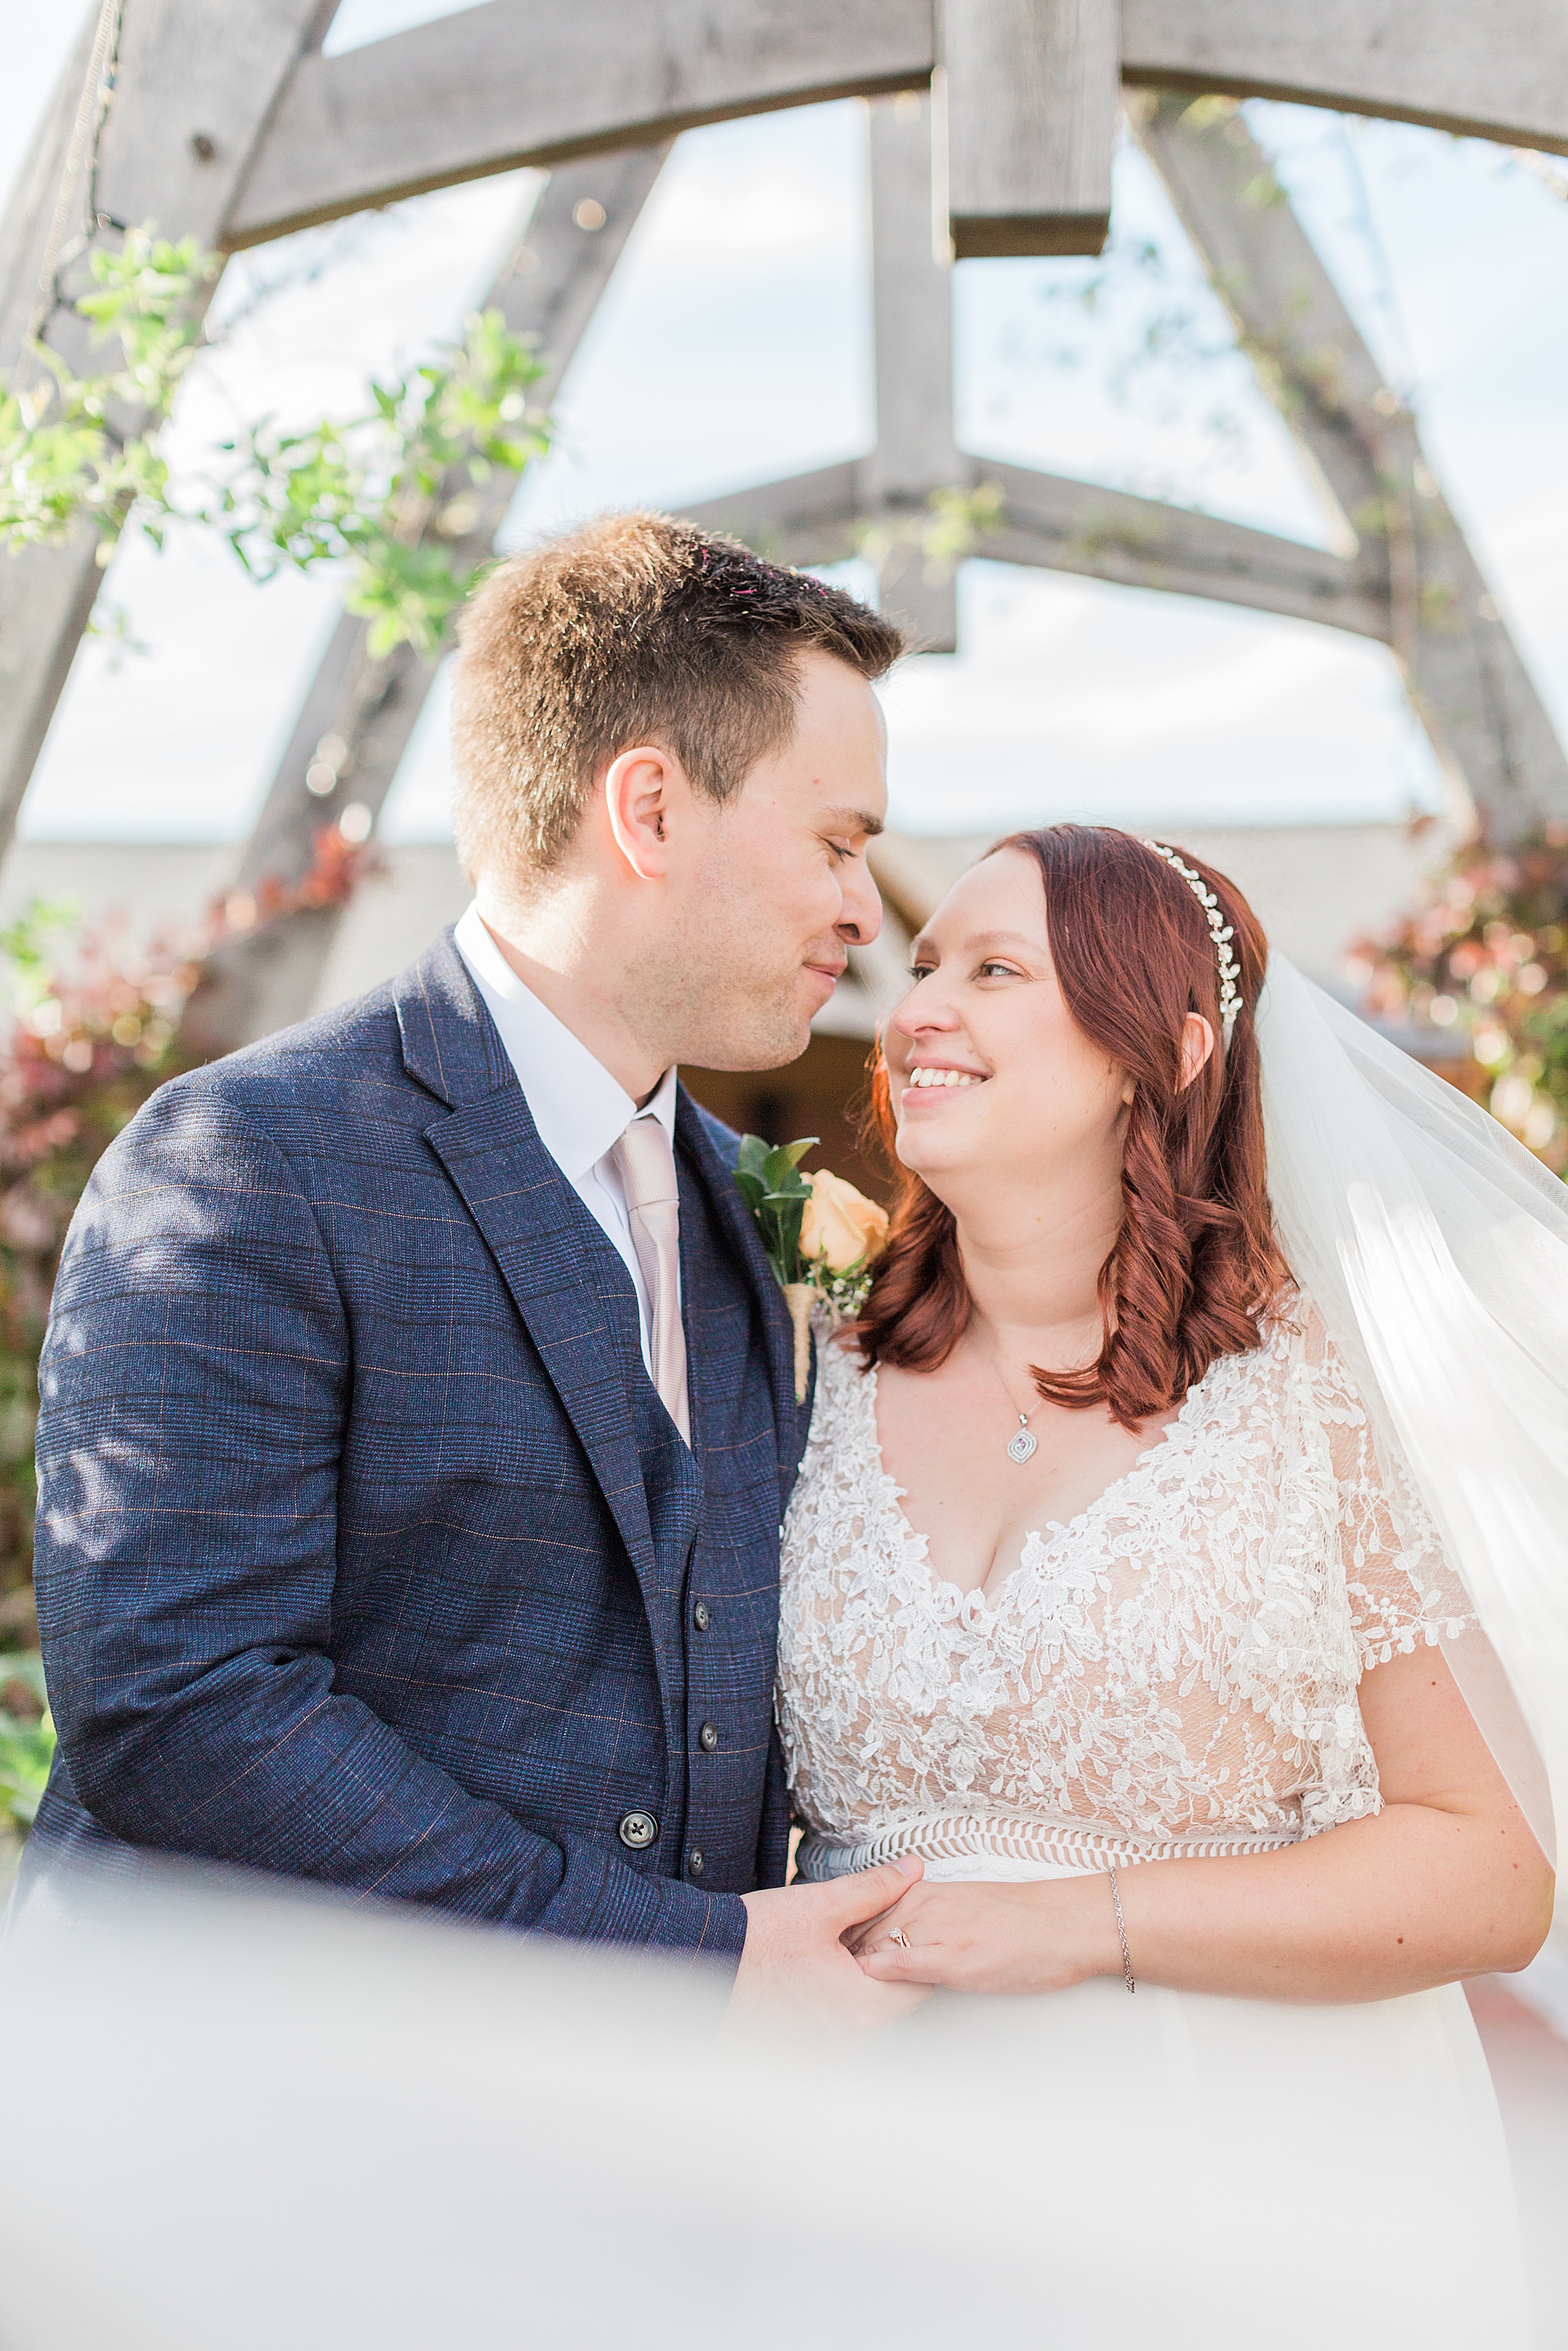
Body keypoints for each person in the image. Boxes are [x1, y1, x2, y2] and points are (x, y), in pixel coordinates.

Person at [21, 513, 924, 2023]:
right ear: (646, 808)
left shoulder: (731, 1208)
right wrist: (677, 1959)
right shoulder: (248, 1157)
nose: (861, 911)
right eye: (835, 841)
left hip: (614, 2166)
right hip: (242, 2133)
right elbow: (179, 1704)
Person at [776, 823, 1559, 2339]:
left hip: (1243, 2184)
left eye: (995, 972)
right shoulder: (812, 1362)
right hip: (874, 2188)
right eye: (926, 965)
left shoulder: (1317, 1392)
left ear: (1167, 1048)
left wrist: (1074, 1922)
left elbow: (1491, 1869)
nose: (920, 1003)